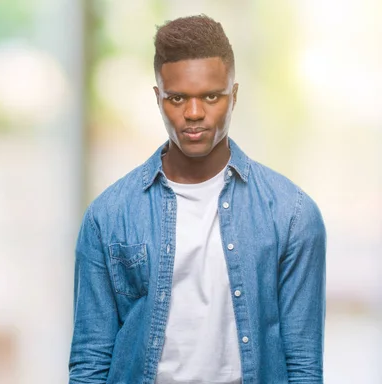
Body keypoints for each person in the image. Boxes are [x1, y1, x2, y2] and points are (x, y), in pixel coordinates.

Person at [68, 14, 326, 384]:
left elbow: (303, 363)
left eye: (211, 96)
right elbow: (90, 359)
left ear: (233, 95)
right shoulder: (108, 216)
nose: (193, 113)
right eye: (177, 98)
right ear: (158, 98)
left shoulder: (292, 214)